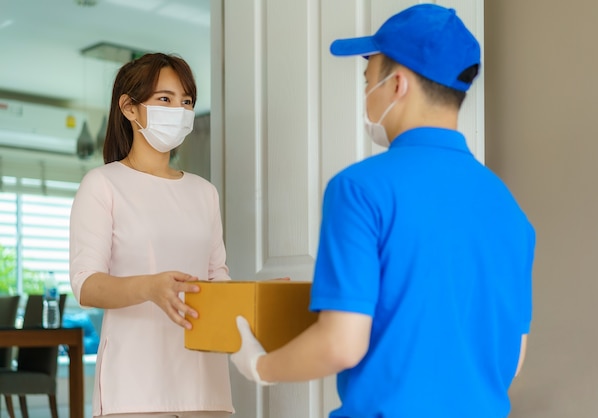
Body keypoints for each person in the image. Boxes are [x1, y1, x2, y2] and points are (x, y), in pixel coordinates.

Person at [231, 4, 534, 417]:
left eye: (367, 78)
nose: (366, 92)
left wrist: (260, 366)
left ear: (398, 84)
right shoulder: (508, 209)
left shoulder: (360, 189)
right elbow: (513, 356)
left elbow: (341, 344)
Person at [69, 53, 234, 418]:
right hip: (134, 387)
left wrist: (257, 300)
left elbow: (217, 279)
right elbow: (86, 285)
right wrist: (150, 288)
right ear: (129, 108)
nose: (179, 110)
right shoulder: (102, 185)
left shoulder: (204, 192)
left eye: (186, 101)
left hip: (204, 385)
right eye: (165, 99)